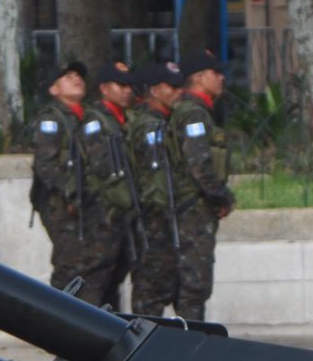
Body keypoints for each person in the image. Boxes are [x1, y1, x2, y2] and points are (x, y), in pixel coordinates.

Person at [163, 49, 236, 323]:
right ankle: (191, 342)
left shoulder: (196, 112)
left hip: (193, 207)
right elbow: (199, 165)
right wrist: (222, 196)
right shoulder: (193, 115)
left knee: (194, 284)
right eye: (216, 73)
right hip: (192, 208)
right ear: (200, 77)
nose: (221, 78)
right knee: (194, 284)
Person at [68, 60, 141, 309]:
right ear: (105, 88)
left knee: (114, 278)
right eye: (120, 85)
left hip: (121, 213)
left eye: (129, 85)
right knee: (96, 278)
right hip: (102, 213)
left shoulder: (124, 120)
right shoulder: (95, 122)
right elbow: (104, 169)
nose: (127, 90)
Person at [126, 63, 184, 316]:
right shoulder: (150, 126)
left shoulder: (161, 122)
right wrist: (161, 211)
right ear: (155, 90)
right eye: (172, 87)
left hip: (159, 215)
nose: (179, 92)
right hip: (154, 217)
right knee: (151, 285)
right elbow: (155, 178)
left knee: (162, 281)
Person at [28, 59, 89, 292]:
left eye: (79, 75)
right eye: (67, 77)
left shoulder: (86, 117)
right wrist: (71, 193)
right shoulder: (52, 119)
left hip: (85, 203)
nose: (77, 79)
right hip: (60, 204)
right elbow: (45, 165)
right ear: (54, 89)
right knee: (69, 264)